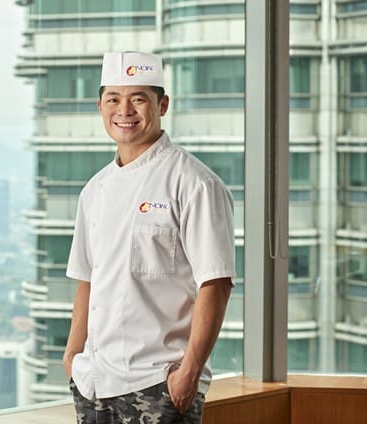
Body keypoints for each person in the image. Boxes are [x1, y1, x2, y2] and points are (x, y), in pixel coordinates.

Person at [63, 51, 235, 424]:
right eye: (113, 99)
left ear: (163, 105)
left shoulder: (195, 183)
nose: (124, 110)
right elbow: (87, 278)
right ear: (100, 107)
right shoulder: (94, 190)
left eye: (138, 99)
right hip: (94, 383)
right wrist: (72, 356)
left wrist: (189, 373)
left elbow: (216, 283)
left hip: (158, 383)